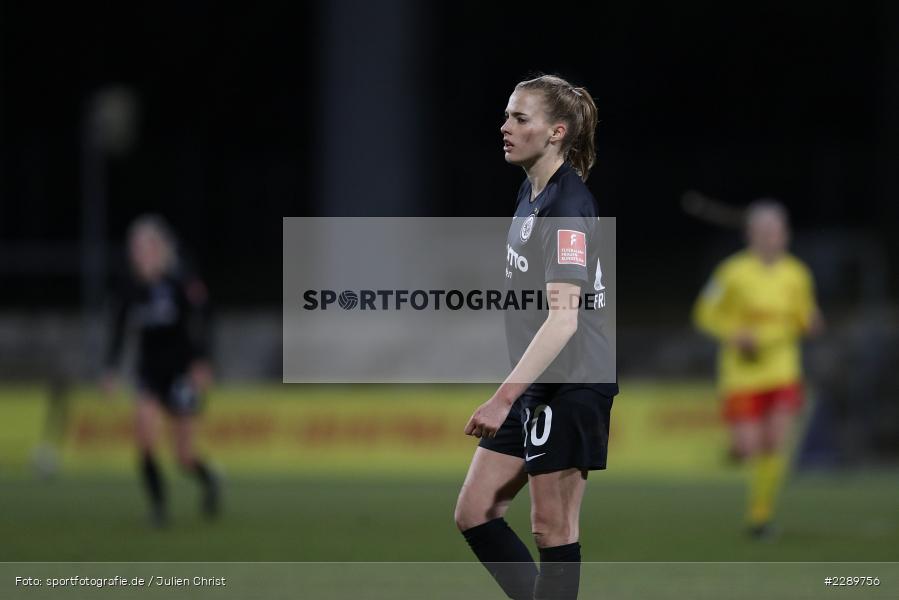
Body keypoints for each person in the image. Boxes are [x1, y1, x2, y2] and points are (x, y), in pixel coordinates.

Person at [454, 75, 617, 600]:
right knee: (475, 512)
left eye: (520, 118)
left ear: (556, 133)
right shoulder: (532, 190)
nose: (505, 127)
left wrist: (504, 397)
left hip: (572, 381)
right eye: (507, 116)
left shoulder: (567, 207)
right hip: (539, 381)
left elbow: (564, 320)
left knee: (552, 528)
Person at [693, 200, 821, 538]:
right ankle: (736, 451)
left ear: (785, 234)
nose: (770, 238)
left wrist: (811, 323)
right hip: (741, 375)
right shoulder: (731, 272)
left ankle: (759, 516)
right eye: (763, 231)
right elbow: (704, 313)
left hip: (783, 371)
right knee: (748, 447)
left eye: (776, 231)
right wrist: (734, 334)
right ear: (750, 234)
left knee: (775, 444)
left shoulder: (797, 274)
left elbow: (806, 316)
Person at [103, 214, 219, 527]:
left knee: (183, 456)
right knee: (145, 437)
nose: (138, 254)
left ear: (159, 249)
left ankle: (210, 480)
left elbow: (203, 320)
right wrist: (111, 369)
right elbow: (118, 329)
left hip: (181, 371)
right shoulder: (130, 287)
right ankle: (159, 508)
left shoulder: (179, 281)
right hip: (149, 372)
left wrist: (202, 361)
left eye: (144, 247)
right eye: (135, 248)